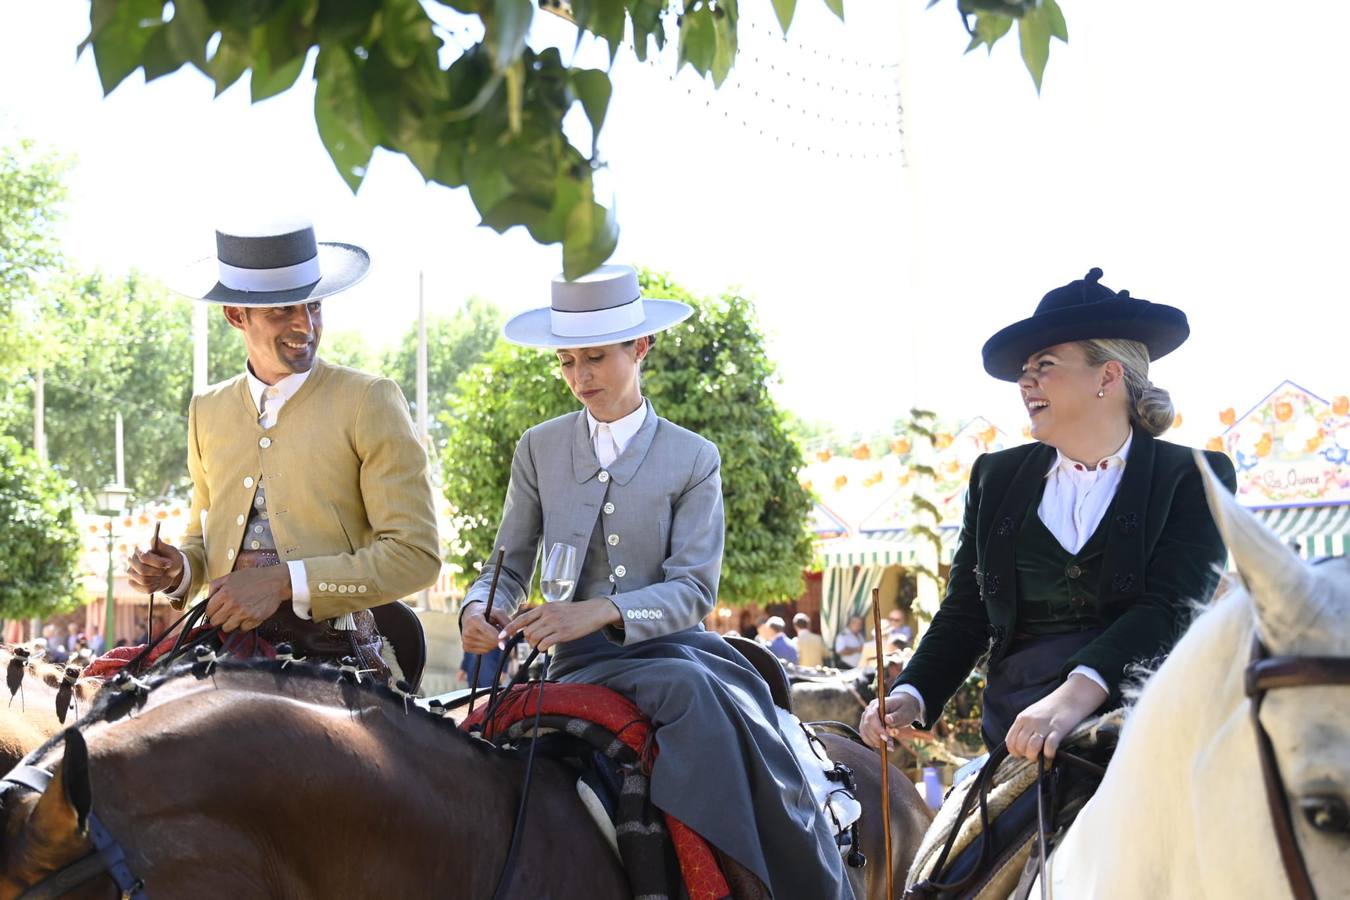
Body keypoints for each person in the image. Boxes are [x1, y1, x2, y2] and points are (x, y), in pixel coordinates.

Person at [459, 265, 852, 900]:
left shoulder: (695, 457)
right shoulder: (538, 448)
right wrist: (481, 609)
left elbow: (694, 590)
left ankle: (775, 876)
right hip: (573, 663)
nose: (580, 378)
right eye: (566, 362)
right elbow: (506, 563)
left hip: (677, 653)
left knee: (693, 688)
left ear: (640, 348)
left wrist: (596, 611)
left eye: (595, 358)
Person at [862, 268, 1235, 762]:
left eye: (1045, 363)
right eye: (1025, 368)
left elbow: (1170, 607)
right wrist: (913, 691)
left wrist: (1071, 698)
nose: (1024, 379)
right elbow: (965, 613)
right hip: (1016, 733)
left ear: (1108, 375)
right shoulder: (995, 477)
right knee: (949, 842)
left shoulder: (1196, 475)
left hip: (1152, 731)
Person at [128, 220, 440, 676]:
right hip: (220, 649)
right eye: (281, 311)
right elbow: (203, 540)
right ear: (236, 316)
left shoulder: (369, 399)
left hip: (337, 654)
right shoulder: (206, 409)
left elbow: (416, 557)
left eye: (313, 306)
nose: (305, 325)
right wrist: (176, 569)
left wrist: (282, 582)